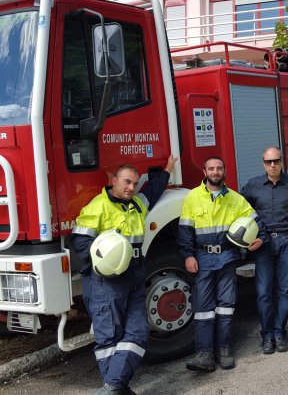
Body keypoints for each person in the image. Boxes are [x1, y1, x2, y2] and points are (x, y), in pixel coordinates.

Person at [72, 156, 176, 395]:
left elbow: (153, 190)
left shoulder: (138, 204)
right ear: (114, 181)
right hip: (106, 283)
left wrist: (168, 170)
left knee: (138, 333)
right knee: (110, 338)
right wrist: (105, 259)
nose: (131, 187)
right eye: (127, 182)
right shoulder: (97, 207)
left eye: (135, 183)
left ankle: (113, 386)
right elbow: (80, 242)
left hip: (134, 279)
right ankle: (117, 386)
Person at [177, 156, 265, 372]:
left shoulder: (235, 198)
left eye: (219, 168)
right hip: (203, 259)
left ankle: (225, 349)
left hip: (227, 259)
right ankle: (204, 354)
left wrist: (261, 238)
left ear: (224, 171)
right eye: (211, 169)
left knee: (226, 307)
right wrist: (188, 255)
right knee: (203, 309)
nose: (215, 172)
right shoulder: (192, 197)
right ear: (204, 172)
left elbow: (256, 220)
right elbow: (185, 230)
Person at [241, 146, 288, 354]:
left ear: (282, 161)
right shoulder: (253, 186)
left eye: (276, 161)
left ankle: (279, 332)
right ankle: (267, 335)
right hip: (263, 244)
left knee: (284, 290)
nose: (273, 165)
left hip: (286, 242)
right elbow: (240, 210)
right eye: (269, 162)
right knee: (264, 292)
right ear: (263, 163)